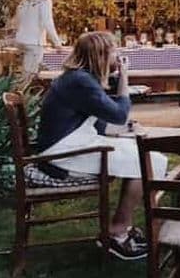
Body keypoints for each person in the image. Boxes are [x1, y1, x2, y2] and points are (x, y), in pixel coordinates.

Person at [35, 32, 168, 261]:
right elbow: (118, 115)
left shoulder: (78, 78)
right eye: (114, 51)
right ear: (101, 55)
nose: (118, 55)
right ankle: (117, 232)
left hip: (68, 144)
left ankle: (122, 227)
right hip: (62, 154)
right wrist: (124, 78)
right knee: (149, 162)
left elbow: (99, 123)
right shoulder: (81, 81)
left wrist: (124, 133)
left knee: (145, 156)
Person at [13, 0, 63, 79]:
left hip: (20, 41)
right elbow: (47, 22)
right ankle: (19, 94)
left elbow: (16, 22)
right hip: (34, 43)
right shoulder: (45, 1)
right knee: (28, 77)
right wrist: (57, 42)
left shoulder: (23, 2)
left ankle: (17, 92)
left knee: (23, 74)